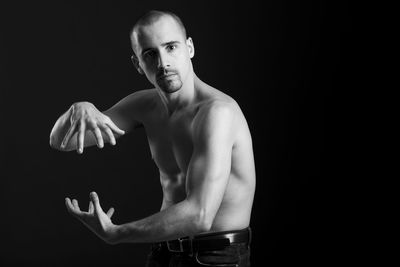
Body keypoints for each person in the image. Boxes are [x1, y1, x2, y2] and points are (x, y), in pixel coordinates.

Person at [49, 10, 256, 266]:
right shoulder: (145, 106)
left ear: (189, 48)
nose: (163, 63)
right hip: (164, 252)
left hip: (215, 257)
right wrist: (76, 110)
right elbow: (61, 142)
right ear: (137, 64)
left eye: (171, 47)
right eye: (150, 54)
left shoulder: (217, 113)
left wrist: (117, 233)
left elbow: (200, 214)